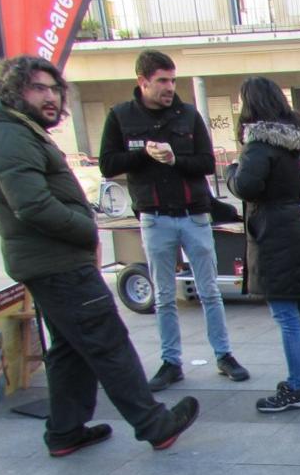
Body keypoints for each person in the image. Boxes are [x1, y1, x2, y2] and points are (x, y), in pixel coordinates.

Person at [0, 56, 199, 454]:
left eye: (54, 89)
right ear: (14, 91)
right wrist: (85, 228)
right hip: (58, 262)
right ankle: (154, 423)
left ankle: (65, 431)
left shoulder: (17, 129)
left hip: (49, 261)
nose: (50, 97)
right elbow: (31, 204)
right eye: (38, 88)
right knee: (107, 340)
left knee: (70, 346)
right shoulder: (9, 133)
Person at [99, 50, 249, 391]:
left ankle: (224, 354)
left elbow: (207, 163)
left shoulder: (188, 115)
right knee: (164, 295)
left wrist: (174, 159)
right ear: (143, 81)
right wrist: (143, 155)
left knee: (209, 290)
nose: (169, 87)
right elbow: (108, 163)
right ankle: (171, 362)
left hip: (193, 214)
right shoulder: (121, 116)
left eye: (173, 80)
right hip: (154, 217)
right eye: (162, 81)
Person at [226, 77, 300, 413]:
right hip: (293, 225)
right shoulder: (289, 143)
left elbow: (247, 186)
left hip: (272, 231)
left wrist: (231, 172)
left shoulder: (258, 145)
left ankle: (298, 388)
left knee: (287, 313)